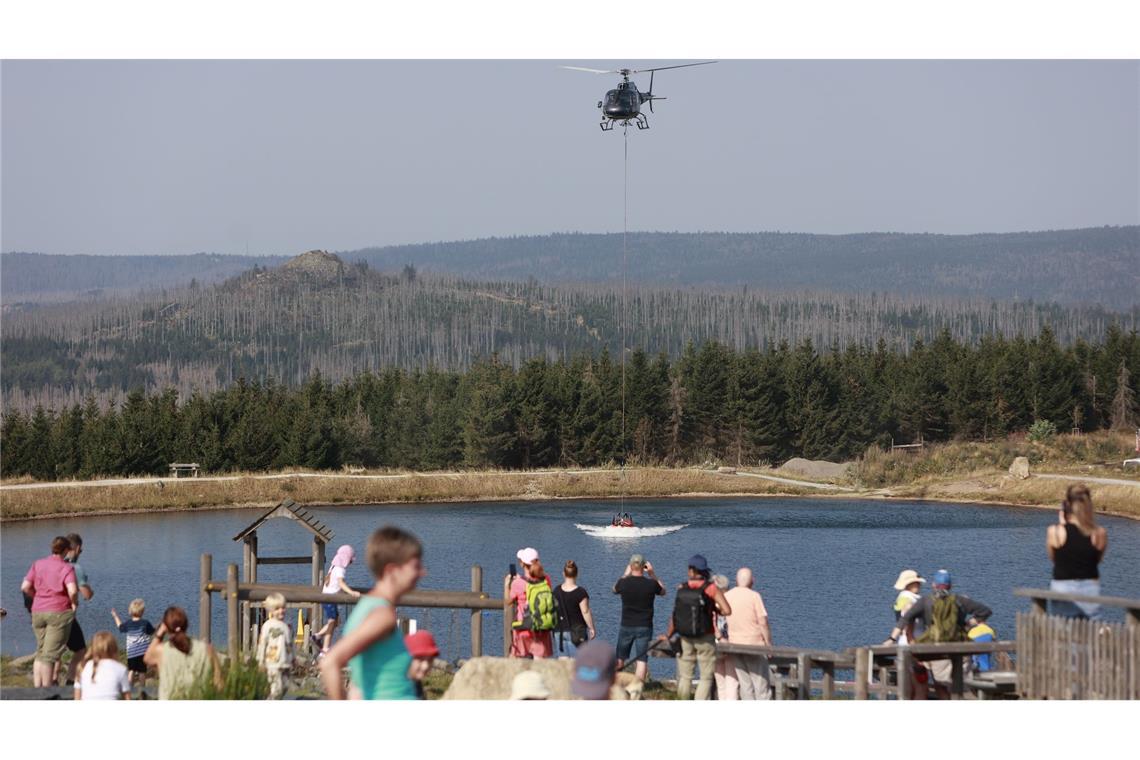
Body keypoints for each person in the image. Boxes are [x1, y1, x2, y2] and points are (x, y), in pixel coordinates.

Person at [319, 526, 426, 700]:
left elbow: (360, 680)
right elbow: (331, 662)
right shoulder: (381, 614)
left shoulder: (368, 606)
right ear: (392, 571)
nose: (422, 572)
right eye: (415, 566)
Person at [884, 569, 992, 697]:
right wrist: (968, 624)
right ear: (950, 586)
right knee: (963, 689)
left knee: (941, 686)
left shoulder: (926, 601)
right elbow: (985, 611)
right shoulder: (960, 600)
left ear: (934, 585)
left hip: (938, 652)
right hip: (961, 649)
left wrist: (891, 639)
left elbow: (905, 619)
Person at [662, 554, 731, 700]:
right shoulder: (711, 588)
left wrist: (668, 635)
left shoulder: (682, 587)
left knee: (685, 676)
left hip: (686, 637)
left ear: (690, 571)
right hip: (706, 636)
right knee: (706, 677)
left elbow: (675, 615)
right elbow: (727, 610)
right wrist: (714, 608)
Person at [20, 536, 78, 687]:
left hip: (38, 611)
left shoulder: (38, 564)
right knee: (49, 656)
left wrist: (36, 597)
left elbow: (25, 587)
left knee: (41, 652)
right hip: (58, 612)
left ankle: (37, 690)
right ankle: (47, 694)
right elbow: (72, 590)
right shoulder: (66, 567)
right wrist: (73, 604)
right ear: (65, 550)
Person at [1046, 483, 1108, 619]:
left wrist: (1063, 524)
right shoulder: (1099, 533)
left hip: (1062, 587)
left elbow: (1055, 560)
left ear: (1067, 505)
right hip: (1090, 587)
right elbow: (1096, 561)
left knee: (1064, 633)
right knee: (1090, 634)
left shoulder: (1054, 532)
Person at [144, 606, 223, 700]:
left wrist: (160, 632)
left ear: (166, 627)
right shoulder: (207, 649)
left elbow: (147, 658)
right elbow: (219, 684)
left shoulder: (162, 651)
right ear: (187, 624)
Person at [612, 553, 665, 682]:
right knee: (642, 660)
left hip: (626, 625)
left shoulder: (624, 583)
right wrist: (652, 574)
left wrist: (625, 574)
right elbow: (663, 591)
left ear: (631, 566)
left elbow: (614, 589)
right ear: (644, 567)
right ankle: (637, 689)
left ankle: (616, 685)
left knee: (620, 659)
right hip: (645, 626)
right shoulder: (651, 584)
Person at [723, 567, 772, 700]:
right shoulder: (754, 596)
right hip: (754, 645)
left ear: (736, 580)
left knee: (745, 686)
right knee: (761, 686)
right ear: (752, 581)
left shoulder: (727, 596)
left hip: (735, 645)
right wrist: (768, 644)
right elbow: (763, 622)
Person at [507, 547, 556, 659]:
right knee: (539, 667)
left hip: (524, 626)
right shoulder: (546, 579)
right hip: (541, 627)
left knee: (521, 667)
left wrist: (507, 584)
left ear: (522, 564)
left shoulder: (517, 583)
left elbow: (508, 601)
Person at [313, 544, 361, 656]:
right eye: (350, 560)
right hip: (330, 598)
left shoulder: (333, 566)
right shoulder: (340, 569)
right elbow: (341, 583)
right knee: (332, 623)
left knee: (335, 622)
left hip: (327, 597)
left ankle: (317, 636)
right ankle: (325, 649)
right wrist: (351, 592)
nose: (350, 563)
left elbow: (335, 584)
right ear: (346, 559)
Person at [890, 569, 928, 698]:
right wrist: (912, 641)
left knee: (911, 684)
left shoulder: (906, 597)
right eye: (915, 583)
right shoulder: (907, 598)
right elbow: (907, 618)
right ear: (907, 585)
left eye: (918, 582)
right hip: (912, 642)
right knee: (920, 685)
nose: (918, 585)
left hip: (907, 642)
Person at [62, 533, 94, 685]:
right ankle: (69, 683)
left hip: (45, 613)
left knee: (54, 652)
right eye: (81, 551)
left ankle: (52, 686)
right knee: (80, 650)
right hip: (67, 616)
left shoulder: (53, 564)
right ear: (78, 548)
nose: (80, 554)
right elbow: (87, 595)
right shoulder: (75, 568)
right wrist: (89, 589)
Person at [255, 592, 294, 699]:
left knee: (285, 686)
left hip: (285, 662)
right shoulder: (268, 626)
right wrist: (260, 660)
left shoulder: (286, 625)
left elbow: (289, 643)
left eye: (283, 608)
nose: (281, 611)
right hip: (272, 662)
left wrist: (293, 658)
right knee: (276, 688)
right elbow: (262, 643)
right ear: (271, 611)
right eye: (277, 609)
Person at [553, 560, 596, 654]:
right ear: (577, 574)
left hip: (559, 631)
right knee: (578, 663)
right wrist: (591, 627)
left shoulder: (556, 591)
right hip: (577, 632)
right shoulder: (580, 592)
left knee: (563, 663)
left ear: (563, 574)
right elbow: (585, 611)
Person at [74, 631, 131, 700]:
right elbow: (127, 698)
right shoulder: (121, 669)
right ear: (114, 649)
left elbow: (77, 698)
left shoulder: (82, 667)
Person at [112, 598, 156, 688]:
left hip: (131, 652)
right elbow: (152, 632)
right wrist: (158, 626)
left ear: (130, 611)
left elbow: (120, 627)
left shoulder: (128, 623)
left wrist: (115, 616)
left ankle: (129, 688)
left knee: (131, 670)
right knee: (142, 671)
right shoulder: (145, 623)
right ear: (142, 612)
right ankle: (142, 691)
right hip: (143, 652)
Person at [711, 574, 738, 699]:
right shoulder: (733, 601)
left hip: (714, 644)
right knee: (731, 681)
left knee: (720, 681)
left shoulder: (710, 602)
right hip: (730, 643)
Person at [405, 630, 440, 699]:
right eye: (420, 659)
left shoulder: (416, 682)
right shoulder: (393, 690)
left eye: (430, 660)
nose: (425, 666)